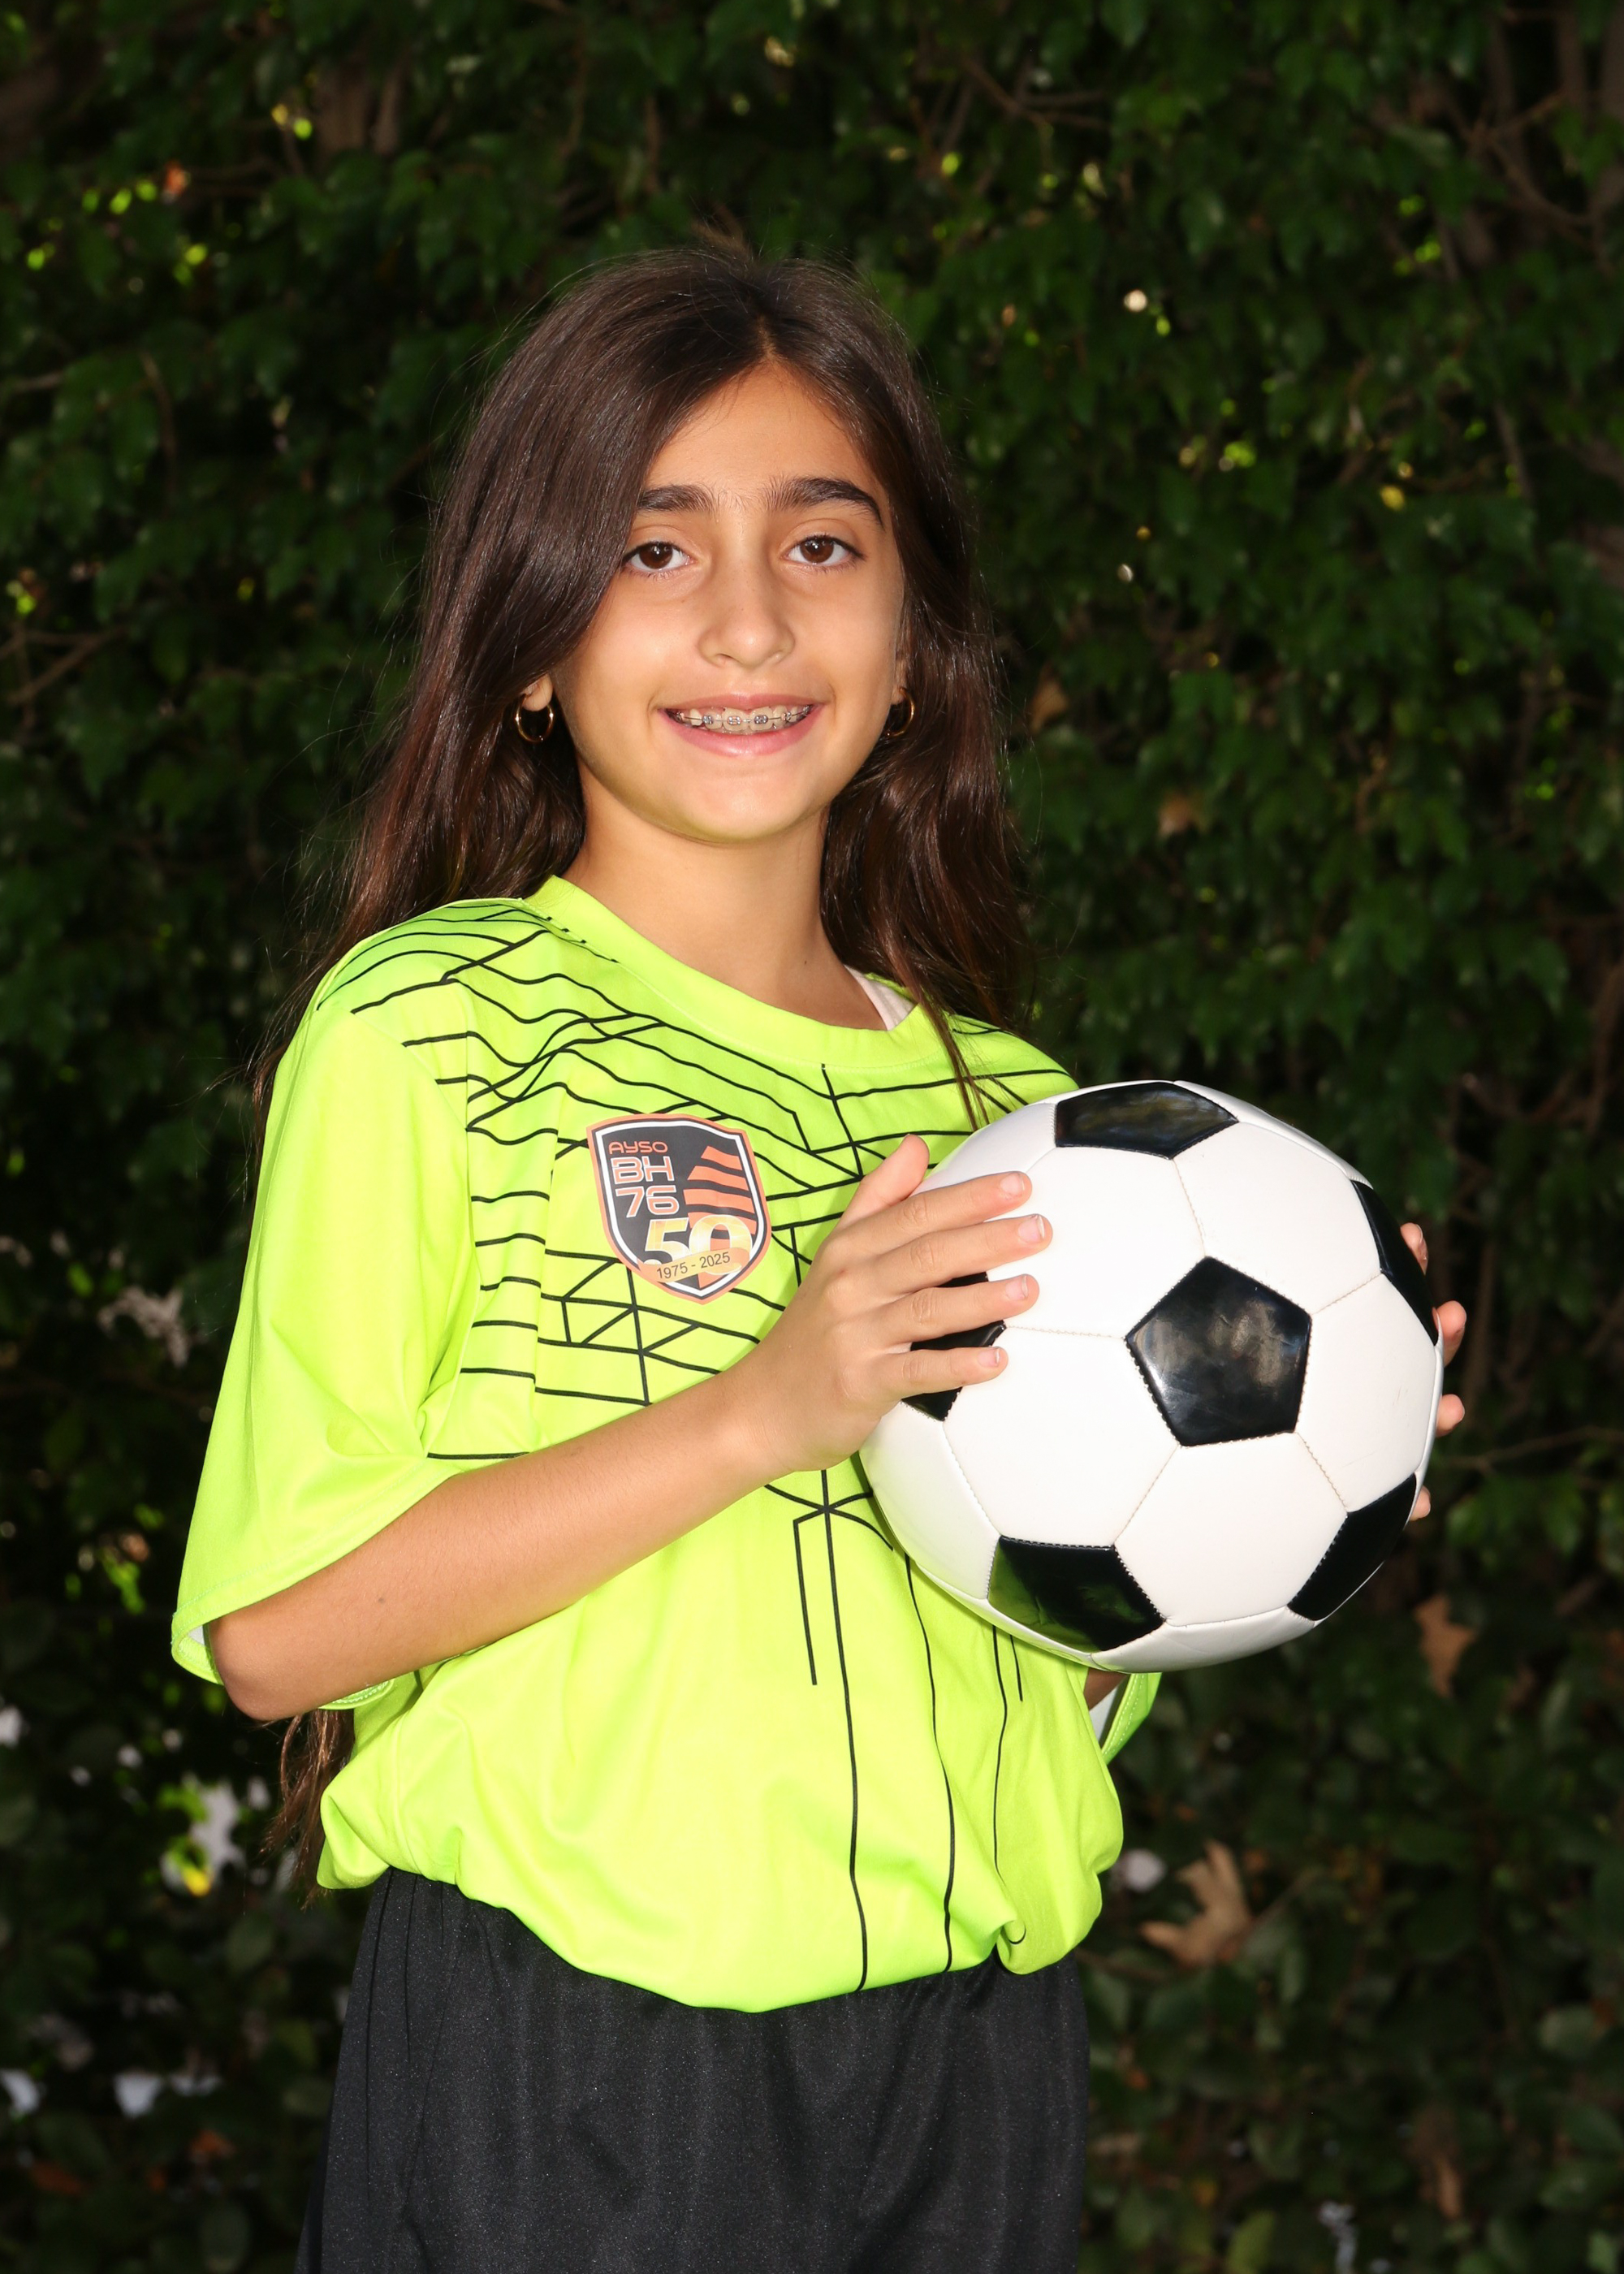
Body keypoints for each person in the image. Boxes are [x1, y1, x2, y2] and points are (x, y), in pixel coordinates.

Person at [171, 248, 1466, 2273]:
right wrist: (766, 1408)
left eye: (823, 542)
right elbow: (278, 1635)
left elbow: (1051, 1635)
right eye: (652, 548)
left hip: (977, 2060)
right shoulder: (433, 1024)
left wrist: (1305, 1458)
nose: (750, 619)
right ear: (529, 644)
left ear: (915, 638)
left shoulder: (1023, 1114)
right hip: (581, 2052)